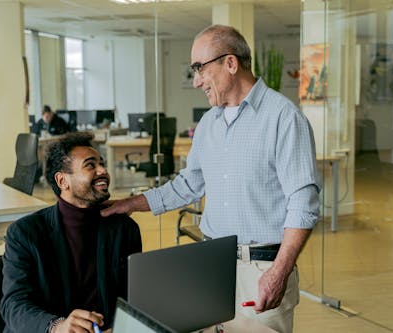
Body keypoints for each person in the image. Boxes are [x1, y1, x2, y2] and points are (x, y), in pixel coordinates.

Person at [101, 24, 320, 332]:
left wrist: (279, 272)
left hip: (259, 267)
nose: (196, 81)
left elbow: (303, 203)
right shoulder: (208, 123)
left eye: (200, 69)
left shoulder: (283, 118)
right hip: (209, 266)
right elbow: (189, 184)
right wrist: (130, 204)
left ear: (230, 63)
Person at [1, 132, 142, 333]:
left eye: (101, 163)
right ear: (62, 181)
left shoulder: (124, 229)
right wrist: (57, 327)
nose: (103, 171)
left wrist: (118, 327)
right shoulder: (25, 233)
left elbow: (132, 298)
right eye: (90, 165)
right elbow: (14, 306)